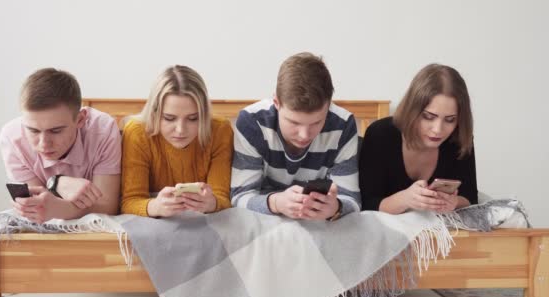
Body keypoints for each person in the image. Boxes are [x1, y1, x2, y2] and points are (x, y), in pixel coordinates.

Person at [231, 52, 360, 221]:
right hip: (265, 221)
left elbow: (352, 201)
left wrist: (336, 207)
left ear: (328, 105)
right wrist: (276, 203)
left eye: (316, 123)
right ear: (276, 103)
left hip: (320, 226)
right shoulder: (252, 122)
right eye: (294, 122)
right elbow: (239, 198)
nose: (304, 135)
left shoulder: (343, 125)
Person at [0, 68, 121, 223]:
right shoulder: (12, 138)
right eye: (33, 130)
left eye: (56, 131)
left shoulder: (103, 130)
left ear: (80, 120)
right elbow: (36, 205)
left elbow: (108, 206)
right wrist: (58, 184)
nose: (44, 144)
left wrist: (56, 195)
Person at [359, 63, 478, 214]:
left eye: (450, 120)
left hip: (439, 234)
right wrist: (405, 199)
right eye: (428, 117)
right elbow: (366, 204)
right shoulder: (380, 134)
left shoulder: (459, 137)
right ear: (412, 109)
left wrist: (454, 202)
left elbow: (470, 198)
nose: (437, 130)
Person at [121, 65, 233, 217]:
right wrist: (154, 207)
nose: (180, 130)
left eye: (193, 118)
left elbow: (223, 197)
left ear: (204, 114)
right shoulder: (137, 133)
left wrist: (212, 203)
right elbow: (129, 201)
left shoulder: (220, 131)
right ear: (154, 113)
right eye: (169, 118)